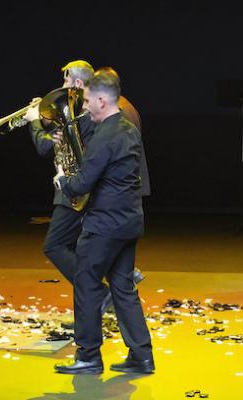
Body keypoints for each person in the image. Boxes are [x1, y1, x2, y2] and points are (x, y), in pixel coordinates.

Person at [24, 60, 148, 319]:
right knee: (85, 251)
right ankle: (101, 298)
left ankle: (98, 298)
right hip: (106, 196)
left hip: (80, 191)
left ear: (79, 84)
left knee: (57, 246)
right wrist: (50, 121)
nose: (62, 86)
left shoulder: (86, 115)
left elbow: (48, 148)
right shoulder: (118, 114)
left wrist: (35, 121)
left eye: (66, 81)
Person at [53, 73, 153, 374]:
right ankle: (142, 356)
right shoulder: (128, 129)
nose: (84, 107)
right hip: (129, 221)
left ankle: (88, 356)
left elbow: (82, 184)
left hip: (104, 225)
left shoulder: (104, 136)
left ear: (100, 100)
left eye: (86, 101)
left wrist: (62, 179)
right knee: (123, 288)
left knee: (85, 284)